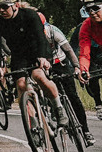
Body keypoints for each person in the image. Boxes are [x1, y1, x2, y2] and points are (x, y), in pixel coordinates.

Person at [38, 10, 89, 141]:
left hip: (60, 62)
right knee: (51, 93)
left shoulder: (52, 30)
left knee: (73, 96)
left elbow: (68, 49)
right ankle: (55, 114)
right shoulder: (32, 35)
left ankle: (86, 130)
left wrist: (76, 66)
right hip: (44, 65)